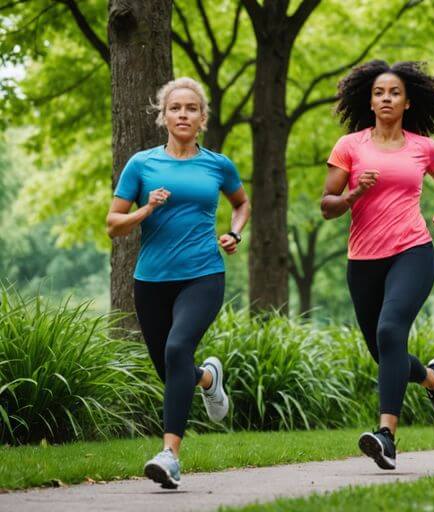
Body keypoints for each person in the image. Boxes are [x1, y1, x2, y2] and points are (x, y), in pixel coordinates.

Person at [106, 78, 249, 489]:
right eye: (175, 108)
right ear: (163, 116)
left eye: (191, 108)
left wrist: (235, 233)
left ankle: (169, 455)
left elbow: (241, 204)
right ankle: (207, 379)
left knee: (177, 348)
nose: (183, 114)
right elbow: (113, 224)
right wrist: (145, 209)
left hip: (203, 274)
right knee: (172, 369)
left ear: (202, 118)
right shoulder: (141, 165)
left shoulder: (218, 165)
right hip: (151, 281)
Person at [322, 60, 434, 470]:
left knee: (389, 330)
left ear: (407, 102)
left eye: (394, 93)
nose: (386, 98)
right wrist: (351, 195)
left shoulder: (424, 147)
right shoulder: (350, 146)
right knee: (384, 352)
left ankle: (386, 436)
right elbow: (327, 206)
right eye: (379, 92)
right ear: (370, 99)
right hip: (363, 259)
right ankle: (433, 380)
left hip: (412, 251)